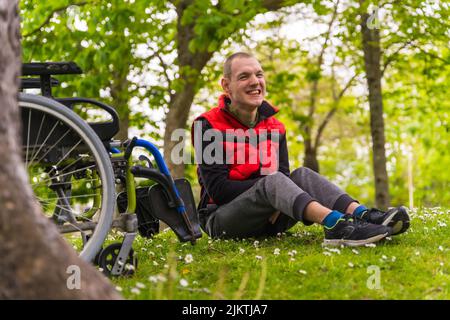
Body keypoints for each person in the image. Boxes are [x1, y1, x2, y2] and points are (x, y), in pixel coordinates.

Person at [191, 52, 410, 246]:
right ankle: (336, 225)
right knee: (274, 180)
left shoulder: (276, 127)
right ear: (226, 86)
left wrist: (276, 197)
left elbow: (286, 178)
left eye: (259, 74)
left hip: (271, 221)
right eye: (244, 76)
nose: (255, 81)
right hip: (221, 221)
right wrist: (270, 192)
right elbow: (218, 190)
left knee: (302, 174)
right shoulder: (206, 125)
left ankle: (365, 216)